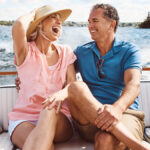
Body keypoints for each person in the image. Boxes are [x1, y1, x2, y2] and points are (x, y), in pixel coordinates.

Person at [43, 3, 150, 150]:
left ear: (111, 24)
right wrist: (25, 79)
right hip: (88, 120)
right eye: (89, 22)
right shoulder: (82, 52)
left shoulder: (129, 51)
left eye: (95, 21)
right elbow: (57, 73)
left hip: (125, 114)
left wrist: (116, 109)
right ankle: (139, 146)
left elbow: (133, 84)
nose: (90, 26)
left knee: (105, 139)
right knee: (75, 86)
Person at [8, 5, 77, 150]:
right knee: (45, 146)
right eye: (53, 17)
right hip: (24, 119)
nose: (59, 22)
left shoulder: (66, 52)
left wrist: (61, 93)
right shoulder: (26, 52)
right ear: (39, 24)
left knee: (49, 109)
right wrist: (34, 14)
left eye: (60, 20)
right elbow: (19, 25)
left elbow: (72, 84)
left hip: (59, 117)